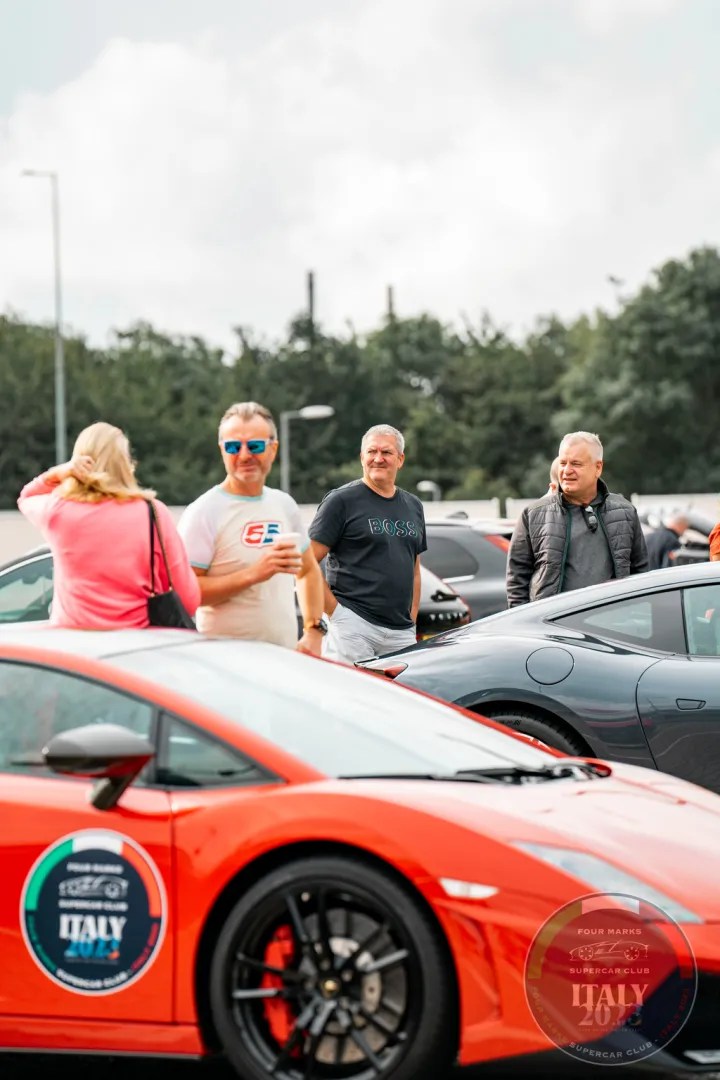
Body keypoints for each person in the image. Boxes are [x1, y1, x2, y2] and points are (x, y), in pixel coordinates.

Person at [17, 421, 200, 629]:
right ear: (126, 464)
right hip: (135, 642)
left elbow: (26, 497)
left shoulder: (58, 511)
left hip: (72, 643)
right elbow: (189, 599)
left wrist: (58, 473)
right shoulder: (152, 513)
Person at [178, 401, 325, 655]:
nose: (245, 455)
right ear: (222, 450)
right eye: (234, 447)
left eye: (255, 446)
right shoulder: (203, 512)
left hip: (285, 660)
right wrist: (256, 573)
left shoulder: (283, 504)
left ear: (273, 448)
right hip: (227, 665)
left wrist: (313, 631)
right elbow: (185, 594)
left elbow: (308, 570)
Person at [309, 424, 427, 663]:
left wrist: (412, 619)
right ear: (362, 457)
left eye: (386, 452)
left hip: (401, 633)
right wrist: (336, 614)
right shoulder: (341, 501)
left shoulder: (413, 505)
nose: (378, 458)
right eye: (372, 451)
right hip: (354, 628)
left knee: (401, 690)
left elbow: (414, 570)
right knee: (349, 689)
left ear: (400, 459)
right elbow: (306, 562)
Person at [507, 430, 648, 607]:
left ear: (598, 468)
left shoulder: (625, 512)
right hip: (551, 622)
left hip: (613, 620)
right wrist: (527, 622)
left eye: (576, 463)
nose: (567, 471)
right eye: (563, 463)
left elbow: (640, 574)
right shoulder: (533, 514)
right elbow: (517, 581)